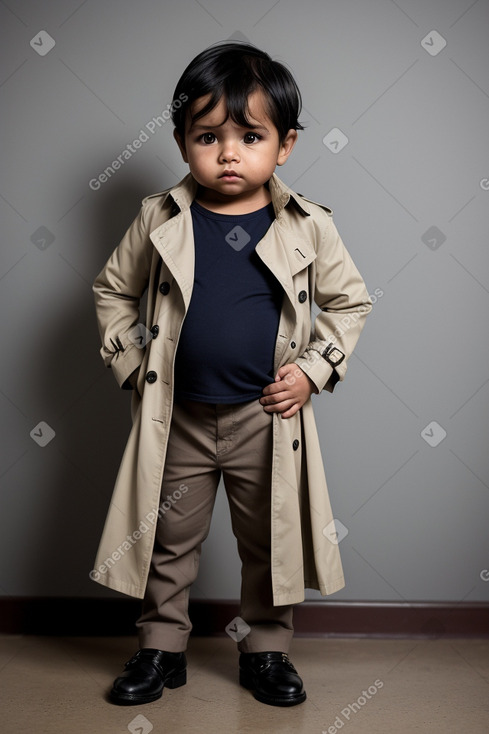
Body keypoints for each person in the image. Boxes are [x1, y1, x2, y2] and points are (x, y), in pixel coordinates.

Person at [91, 41, 372, 708]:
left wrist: (311, 371)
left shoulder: (307, 225)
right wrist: (135, 366)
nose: (227, 153)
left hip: (266, 419)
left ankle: (265, 652)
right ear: (182, 140)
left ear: (285, 145)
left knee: (268, 543)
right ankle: (161, 650)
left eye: (250, 136)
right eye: (207, 136)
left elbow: (349, 302)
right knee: (166, 542)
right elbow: (111, 292)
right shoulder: (159, 218)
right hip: (179, 417)